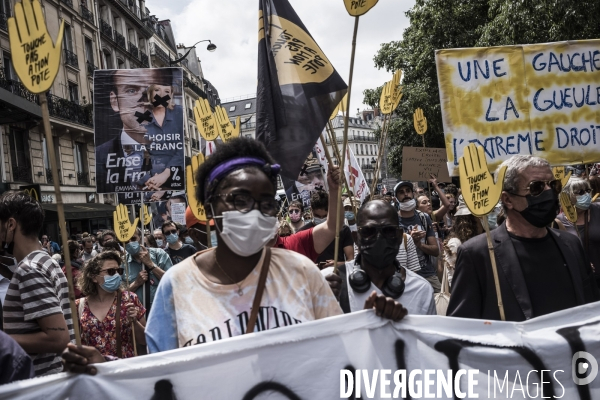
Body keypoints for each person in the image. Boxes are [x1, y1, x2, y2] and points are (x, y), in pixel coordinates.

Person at [146, 137, 399, 352]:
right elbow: (160, 378)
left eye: (266, 203)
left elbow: (337, 353)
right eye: (240, 200)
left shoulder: (302, 272)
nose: (254, 213)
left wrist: (367, 325)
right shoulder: (176, 285)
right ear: (211, 206)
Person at [447, 155, 599, 321]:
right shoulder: (477, 254)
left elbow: (592, 310)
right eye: (537, 187)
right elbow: (461, 330)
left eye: (553, 185)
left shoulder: (571, 244)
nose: (549, 192)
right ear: (507, 199)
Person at [1, 192, 74, 376]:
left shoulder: (29, 269)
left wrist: (3, 341)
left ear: (10, 225)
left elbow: (58, 339)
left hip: (39, 382)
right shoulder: (45, 261)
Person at [323, 200, 434, 316]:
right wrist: (318, 299)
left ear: (400, 236)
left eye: (389, 231)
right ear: (356, 238)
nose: (379, 239)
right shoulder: (329, 283)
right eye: (368, 231)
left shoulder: (421, 290)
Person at [95, 69, 184, 193]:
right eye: (131, 90)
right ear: (115, 101)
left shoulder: (177, 152)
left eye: (153, 90)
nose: (146, 99)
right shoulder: (99, 157)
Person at [76, 251, 146, 358]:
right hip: (92, 370)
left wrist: (134, 322)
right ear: (94, 277)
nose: (117, 275)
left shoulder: (129, 299)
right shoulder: (79, 306)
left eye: (119, 271)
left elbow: (144, 340)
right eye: (111, 271)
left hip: (123, 368)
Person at [394, 181, 440, 292]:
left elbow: (435, 251)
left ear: (413, 194)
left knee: (442, 301)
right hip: (403, 275)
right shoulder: (393, 220)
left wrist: (418, 244)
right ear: (396, 198)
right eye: (401, 192)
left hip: (427, 274)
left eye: (408, 191)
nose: (405, 194)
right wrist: (408, 240)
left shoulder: (424, 218)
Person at [556, 177, 600, 287]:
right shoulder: (558, 221)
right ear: (566, 196)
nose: (586, 194)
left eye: (588, 190)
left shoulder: (598, 209)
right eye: (580, 192)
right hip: (584, 281)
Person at [297, 190, 354, 266]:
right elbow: (298, 263)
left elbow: (351, 260)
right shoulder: (302, 233)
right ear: (311, 210)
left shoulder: (342, 230)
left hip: (337, 275)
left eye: (324, 216)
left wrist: (337, 264)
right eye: (317, 216)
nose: (321, 219)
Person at [124, 228, 172, 310]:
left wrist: (150, 264)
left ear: (141, 238)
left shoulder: (159, 254)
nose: (130, 243)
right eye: (126, 241)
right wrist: (136, 283)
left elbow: (171, 281)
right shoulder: (122, 263)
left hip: (162, 309)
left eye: (133, 239)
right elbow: (121, 294)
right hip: (137, 314)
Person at [441, 195, 483, 288]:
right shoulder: (455, 243)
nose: (484, 219)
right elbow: (454, 280)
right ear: (471, 220)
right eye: (481, 217)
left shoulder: (481, 239)